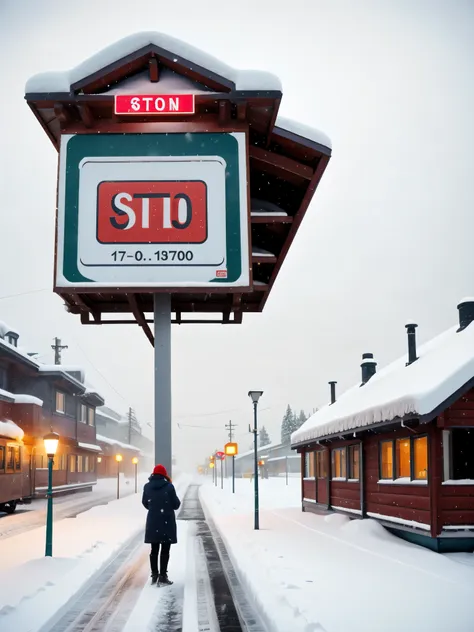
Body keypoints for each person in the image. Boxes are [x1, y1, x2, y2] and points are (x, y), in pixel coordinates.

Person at [142, 464, 181, 586]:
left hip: (153, 521)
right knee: (165, 549)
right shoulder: (169, 487)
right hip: (166, 521)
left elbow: (145, 502)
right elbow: (176, 504)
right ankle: (163, 576)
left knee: (154, 549)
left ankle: (154, 575)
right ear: (164, 475)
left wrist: (154, 509)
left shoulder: (147, 487)